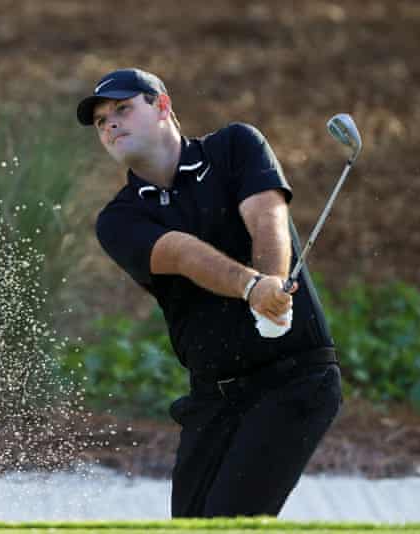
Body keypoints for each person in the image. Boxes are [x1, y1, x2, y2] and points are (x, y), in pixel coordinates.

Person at [76, 68, 342, 518]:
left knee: (228, 523)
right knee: (191, 526)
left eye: (123, 109)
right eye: (102, 121)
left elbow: (267, 217)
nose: (110, 124)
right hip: (213, 397)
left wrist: (272, 280)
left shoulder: (235, 146)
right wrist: (252, 287)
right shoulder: (118, 219)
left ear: (162, 106)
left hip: (294, 380)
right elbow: (180, 253)